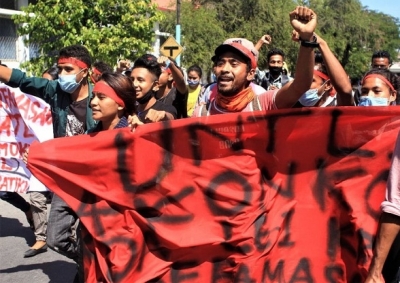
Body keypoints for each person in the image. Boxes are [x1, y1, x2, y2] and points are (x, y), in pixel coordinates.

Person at [0, 44, 96, 283]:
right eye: (60, 68)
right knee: (54, 238)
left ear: (85, 72)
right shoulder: (56, 92)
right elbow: (22, 80)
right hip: (66, 179)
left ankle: (92, 271)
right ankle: (87, 262)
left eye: (68, 69)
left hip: (95, 181)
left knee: (94, 235)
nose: (63, 74)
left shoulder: (101, 96)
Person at [192, 6, 317, 117]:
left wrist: (306, 38)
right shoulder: (201, 114)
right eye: (220, 63)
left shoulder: (263, 104)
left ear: (251, 73)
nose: (225, 69)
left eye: (234, 63)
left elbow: (301, 85)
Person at [294, 32, 353, 107]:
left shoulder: (335, 107)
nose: (303, 85)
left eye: (311, 81)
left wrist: (321, 43)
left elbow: (346, 91)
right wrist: (306, 41)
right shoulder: (292, 106)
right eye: (301, 80)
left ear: (328, 85)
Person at [130, 54, 177, 123]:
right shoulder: (129, 110)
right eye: (132, 79)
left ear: (155, 85)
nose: (134, 84)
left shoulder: (166, 109)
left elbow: (169, 117)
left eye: (140, 80)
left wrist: (163, 116)